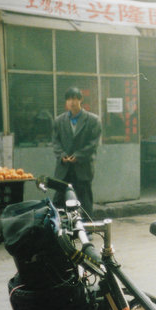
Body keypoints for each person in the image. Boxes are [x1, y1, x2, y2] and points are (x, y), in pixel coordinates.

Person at [52, 87, 102, 215]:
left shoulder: (93, 120)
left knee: (84, 201)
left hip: (82, 168)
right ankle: (61, 230)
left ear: (80, 100)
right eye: (69, 99)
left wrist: (78, 156)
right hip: (64, 168)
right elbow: (56, 142)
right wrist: (62, 155)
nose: (72, 102)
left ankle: (88, 231)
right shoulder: (59, 121)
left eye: (74, 98)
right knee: (59, 201)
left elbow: (93, 143)